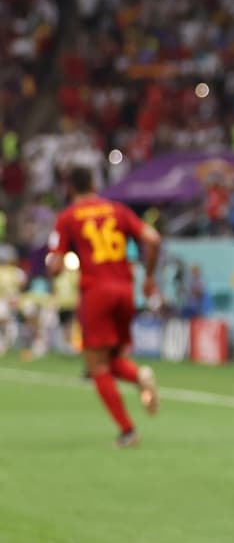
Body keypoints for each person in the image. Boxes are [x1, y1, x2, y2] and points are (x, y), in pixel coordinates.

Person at [46, 166, 161, 447]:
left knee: (96, 365)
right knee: (111, 359)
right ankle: (139, 375)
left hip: (97, 292)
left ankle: (128, 431)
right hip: (124, 290)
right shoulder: (118, 210)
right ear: (95, 183)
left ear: (70, 188)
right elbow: (153, 239)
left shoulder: (68, 217)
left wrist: (54, 266)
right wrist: (148, 277)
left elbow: (56, 265)